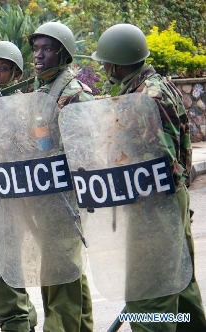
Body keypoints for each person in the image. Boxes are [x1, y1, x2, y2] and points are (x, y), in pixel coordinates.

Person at [92, 23, 206, 332]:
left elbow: (160, 163)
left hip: (153, 206)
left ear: (117, 62)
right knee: (181, 285)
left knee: (149, 296)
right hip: (167, 203)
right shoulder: (152, 85)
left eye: (104, 62)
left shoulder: (147, 98)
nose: (102, 67)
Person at [28, 22, 94, 331]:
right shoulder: (41, 89)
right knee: (66, 270)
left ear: (63, 54)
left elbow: (86, 151)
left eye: (47, 49)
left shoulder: (74, 93)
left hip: (65, 197)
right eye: (36, 49)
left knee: (60, 269)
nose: (39, 55)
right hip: (44, 195)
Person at [0, 41, 38, 332]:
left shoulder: (23, 104)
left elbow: (31, 148)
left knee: (4, 270)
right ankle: (25, 320)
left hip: (12, 199)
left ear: (16, 73)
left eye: (2, 68)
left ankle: (18, 323)